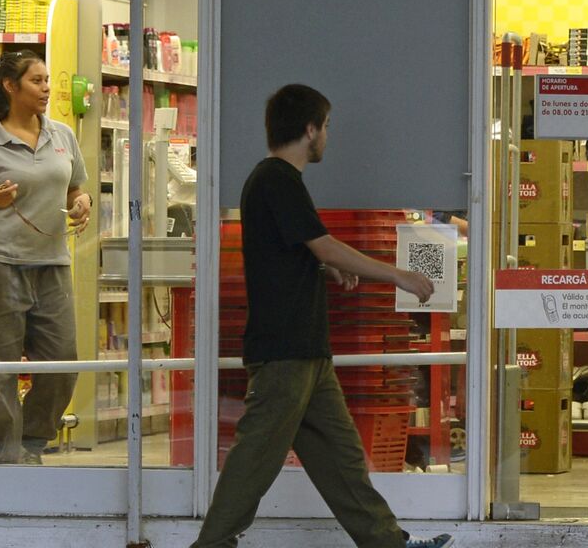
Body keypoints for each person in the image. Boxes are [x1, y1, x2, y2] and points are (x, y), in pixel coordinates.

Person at [191, 84, 451, 548]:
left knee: (341, 458)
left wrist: (324, 265)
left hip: (306, 351)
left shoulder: (276, 182)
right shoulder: (276, 179)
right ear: (309, 129)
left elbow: (298, 246)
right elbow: (322, 241)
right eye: (326, 126)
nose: (328, 135)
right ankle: (210, 545)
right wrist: (399, 276)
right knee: (257, 457)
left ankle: (388, 543)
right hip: (285, 351)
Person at [0, 51, 92, 466]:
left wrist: (81, 202)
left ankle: (31, 441)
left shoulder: (63, 136)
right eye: (36, 81)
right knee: (1, 368)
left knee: (63, 364)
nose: (46, 88)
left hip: (52, 264)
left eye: (48, 80)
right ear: (10, 88)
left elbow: (76, 188)